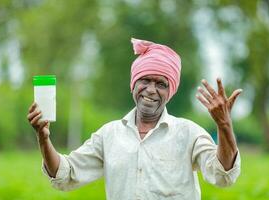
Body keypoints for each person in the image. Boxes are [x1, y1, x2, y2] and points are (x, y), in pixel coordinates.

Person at [27, 38, 242, 200]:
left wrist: (224, 125)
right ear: (133, 84)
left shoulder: (188, 133)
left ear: (171, 91)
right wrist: (43, 138)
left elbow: (222, 175)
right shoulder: (109, 135)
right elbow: (66, 175)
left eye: (161, 84)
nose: (151, 90)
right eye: (145, 80)